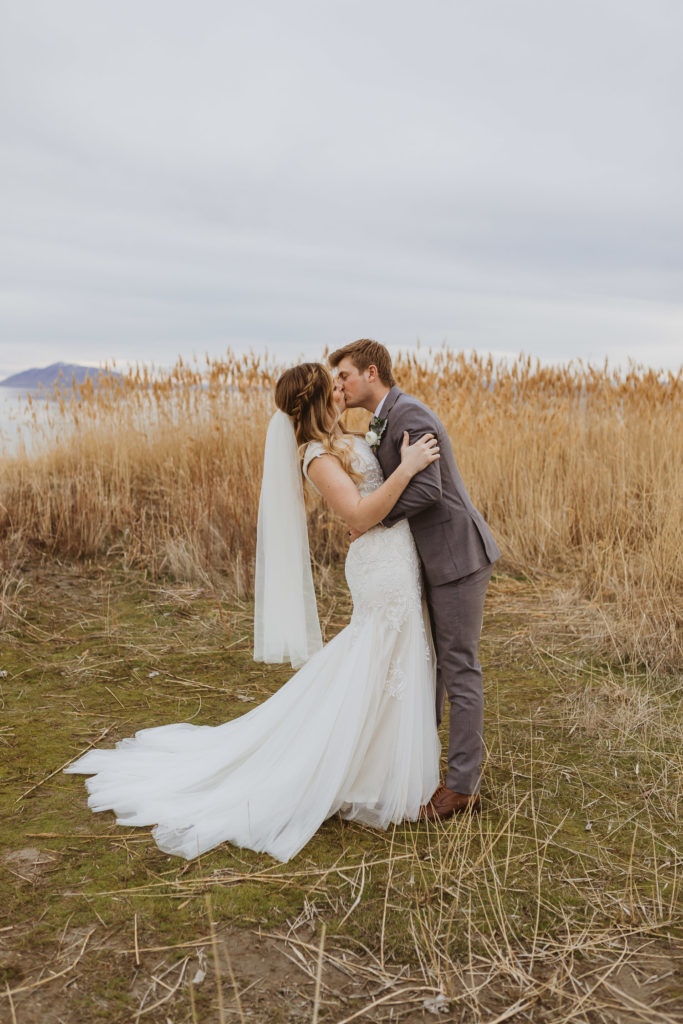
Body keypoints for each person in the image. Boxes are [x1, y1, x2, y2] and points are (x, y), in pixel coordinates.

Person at [64, 362, 442, 863]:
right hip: (379, 569)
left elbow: (371, 501)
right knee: (378, 658)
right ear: (316, 401)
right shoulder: (315, 456)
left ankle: (379, 767)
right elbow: (356, 513)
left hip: (396, 558)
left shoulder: (347, 437)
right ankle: (362, 774)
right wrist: (407, 468)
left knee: (391, 659)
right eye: (332, 387)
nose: (340, 390)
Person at [329, 340, 500, 820]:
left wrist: (371, 521)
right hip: (426, 559)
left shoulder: (409, 415)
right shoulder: (382, 418)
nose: (339, 385)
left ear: (371, 372)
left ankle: (462, 787)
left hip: (456, 556)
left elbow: (428, 488)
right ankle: (419, 766)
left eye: (344, 376)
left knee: (458, 666)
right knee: (430, 664)